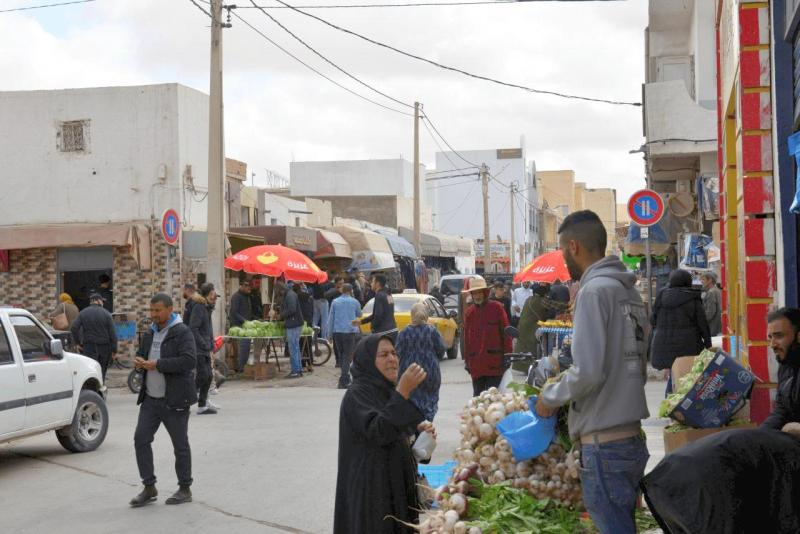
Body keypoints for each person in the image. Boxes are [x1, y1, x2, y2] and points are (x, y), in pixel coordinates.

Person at [534, 210, 650, 534]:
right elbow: (635, 366)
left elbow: (588, 373)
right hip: (630, 440)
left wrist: (549, 396)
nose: (564, 259)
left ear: (574, 246)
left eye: (562, 250)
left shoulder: (593, 292)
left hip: (605, 447)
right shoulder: (628, 291)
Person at [333, 334, 432, 534]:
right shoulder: (356, 395)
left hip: (395, 488)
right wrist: (402, 392)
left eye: (394, 353)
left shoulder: (387, 391)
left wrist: (420, 435)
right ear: (368, 360)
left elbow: (397, 433)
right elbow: (379, 431)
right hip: (373, 495)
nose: (392, 359)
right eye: (384, 355)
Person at [130, 293, 198, 508]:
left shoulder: (182, 332)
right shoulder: (150, 333)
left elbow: (189, 361)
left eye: (158, 310)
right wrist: (139, 361)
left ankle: (185, 488)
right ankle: (149, 487)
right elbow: (143, 354)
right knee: (141, 439)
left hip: (175, 399)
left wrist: (157, 365)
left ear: (170, 309)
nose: (154, 314)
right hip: (151, 399)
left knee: (180, 445)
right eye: (152, 310)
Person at [650, 269, 712, 395]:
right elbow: (702, 324)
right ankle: (679, 401)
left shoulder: (662, 295)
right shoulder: (693, 297)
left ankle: (671, 399)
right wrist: (708, 345)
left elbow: (652, 319)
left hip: (664, 344)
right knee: (686, 378)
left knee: (674, 374)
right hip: (688, 346)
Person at [462, 278, 512, 396]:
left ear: (485, 293)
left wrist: (508, 355)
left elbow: (506, 333)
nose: (477, 296)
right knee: (477, 398)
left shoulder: (497, 308)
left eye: (480, 292)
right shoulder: (469, 313)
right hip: (476, 364)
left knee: (492, 398)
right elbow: (467, 339)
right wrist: (467, 360)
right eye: (475, 293)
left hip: (494, 363)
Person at [395, 303, 445, 421]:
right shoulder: (432, 331)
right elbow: (441, 350)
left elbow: (397, 352)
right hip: (430, 372)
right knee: (430, 399)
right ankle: (427, 421)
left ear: (412, 315)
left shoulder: (404, 332)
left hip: (410, 372)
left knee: (410, 399)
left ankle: (414, 424)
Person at [761, 307, 800, 430]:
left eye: (779, 336)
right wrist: (759, 435)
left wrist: (794, 429)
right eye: (770, 337)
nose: (772, 344)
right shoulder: (786, 366)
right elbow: (781, 410)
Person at [70, 293, 118, 380]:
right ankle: (101, 386)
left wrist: (77, 343)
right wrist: (114, 350)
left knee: (90, 371)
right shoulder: (107, 314)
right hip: (104, 348)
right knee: (102, 371)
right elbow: (113, 334)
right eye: (102, 301)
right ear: (98, 301)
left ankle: (91, 387)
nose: (103, 303)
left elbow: (74, 328)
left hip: (89, 347)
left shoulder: (83, 313)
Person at [188, 283, 219, 415]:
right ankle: (185, 400)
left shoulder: (207, 308)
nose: (215, 298)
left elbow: (208, 330)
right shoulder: (199, 307)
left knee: (209, 376)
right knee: (203, 375)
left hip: (205, 347)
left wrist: (211, 345)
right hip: (198, 347)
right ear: (206, 295)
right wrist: (204, 344)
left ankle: (202, 405)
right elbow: (193, 328)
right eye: (212, 295)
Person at [328, 283, 362, 389]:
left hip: (337, 332)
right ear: (351, 291)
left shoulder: (335, 302)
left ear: (342, 290)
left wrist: (329, 334)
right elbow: (359, 314)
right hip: (349, 332)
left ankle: (345, 377)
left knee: (342, 355)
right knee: (347, 356)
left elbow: (331, 318)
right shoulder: (355, 302)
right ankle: (344, 379)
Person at [515, 283, 550, 356]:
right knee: (531, 345)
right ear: (543, 294)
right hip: (532, 326)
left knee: (521, 344)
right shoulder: (541, 301)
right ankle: (531, 360)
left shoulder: (528, 299)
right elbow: (545, 314)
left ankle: (518, 359)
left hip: (522, 324)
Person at [281, 281, 305, 379]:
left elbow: (292, 309)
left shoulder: (290, 295)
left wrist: (281, 315)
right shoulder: (290, 294)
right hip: (295, 323)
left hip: (293, 324)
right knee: (295, 347)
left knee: (293, 348)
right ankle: (298, 369)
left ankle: (295, 371)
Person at [230, 280, 254, 373]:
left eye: (249, 286)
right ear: (241, 286)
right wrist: (244, 321)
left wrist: (256, 319)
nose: (249, 287)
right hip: (238, 326)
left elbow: (248, 312)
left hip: (246, 326)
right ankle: (240, 368)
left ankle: (243, 367)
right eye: (246, 285)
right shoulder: (236, 297)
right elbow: (234, 312)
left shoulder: (247, 297)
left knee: (246, 347)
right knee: (242, 348)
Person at [700, 272, 722, 337]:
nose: (701, 282)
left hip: (711, 326)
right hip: (716, 325)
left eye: (703, 279)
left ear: (710, 280)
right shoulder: (717, 290)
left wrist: (702, 322)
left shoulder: (711, 292)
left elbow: (710, 312)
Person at [312, 275, 334, 340]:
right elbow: (323, 289)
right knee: (324, 320)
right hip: (323, 301)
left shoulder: (315, 281)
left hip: (315, 300)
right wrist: (331, 283)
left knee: (315, 319)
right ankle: (324, 337)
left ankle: (313, 336)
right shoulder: (323, 282)